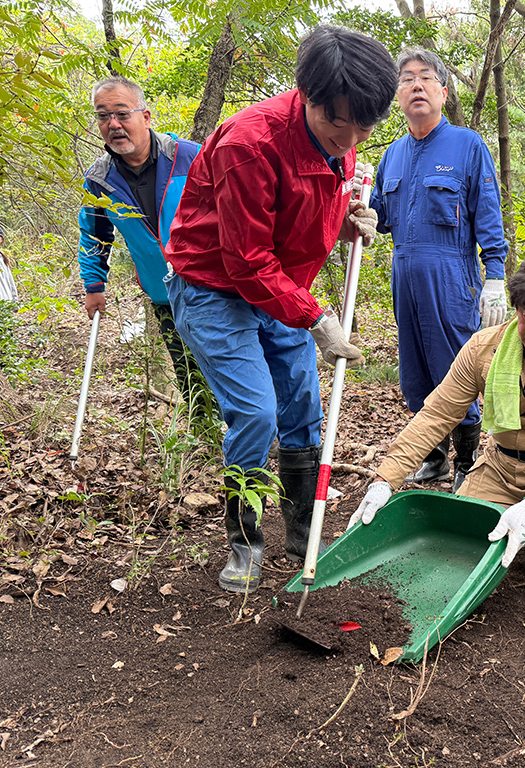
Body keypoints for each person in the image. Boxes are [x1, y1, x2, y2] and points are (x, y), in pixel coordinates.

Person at [164, 25, 398, 593]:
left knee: (302, 411)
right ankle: (244, 542)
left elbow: (300, 212)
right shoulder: (251, 143)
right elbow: (246, 260)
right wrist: (314, 317)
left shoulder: (346, 128)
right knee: (258, 413)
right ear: (308, 98)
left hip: (281, 287)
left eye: (363, 125)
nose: (349, 137)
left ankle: (304, 536)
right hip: (214, 287)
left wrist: (343, 226)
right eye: (336, 122)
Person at [348, 248, 525, 589]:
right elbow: (436, 415)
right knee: (465, 530)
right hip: (504, 464)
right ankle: (511, 508)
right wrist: (384, 480)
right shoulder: (484, 348)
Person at [369, 48, 509, 492]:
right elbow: (379, 216)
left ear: (443, 92)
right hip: (404, 274)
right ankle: (433, 459)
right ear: (397, 95)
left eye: (426, 78)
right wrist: (358, 207)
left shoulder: (467, 145)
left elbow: (487, 213)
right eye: (406, 79)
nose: (416, 86)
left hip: (450, 278)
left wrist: (495, 275)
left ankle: (467, 462)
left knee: (455, 369)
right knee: (415, 371)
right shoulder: (391, 155)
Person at [78, 75, 214, 419]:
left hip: (213, 286)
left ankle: (254, 438)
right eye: (103, 115)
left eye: (122, 114)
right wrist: (94, 286)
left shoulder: (190, 157)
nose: (113, 124)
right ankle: (206, 442)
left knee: (229, 363)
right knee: (188, 373)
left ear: (146, 117)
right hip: (162, 292)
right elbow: (95, 234)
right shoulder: (99, 179)